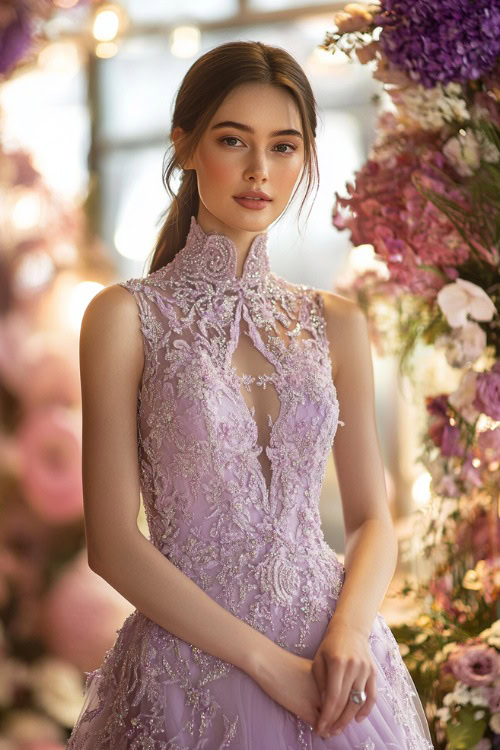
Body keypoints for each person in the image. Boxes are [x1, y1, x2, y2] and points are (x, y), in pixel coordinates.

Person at [67, 40, 434, 749]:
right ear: (185, 146)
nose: (260, 171)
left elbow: (371, 520)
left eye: (285, 146)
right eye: (233, 140)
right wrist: (271, 667)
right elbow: (111, 544)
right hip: (191, 671)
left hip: (337, 666)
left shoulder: (337, 322)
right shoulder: (123, 317)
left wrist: (351, 631)